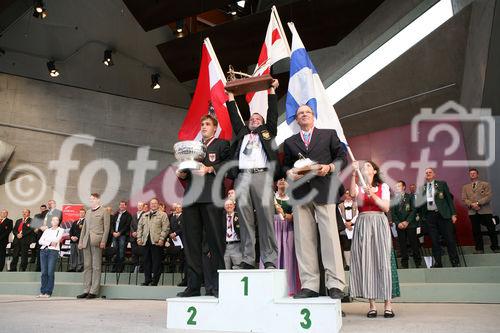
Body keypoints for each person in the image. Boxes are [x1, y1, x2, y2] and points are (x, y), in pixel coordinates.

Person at [283, 104, 347, 299]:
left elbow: (342, 157)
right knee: (304, 239)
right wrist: (288, 172)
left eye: (307, 112)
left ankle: (335, 284)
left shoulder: (328, 134)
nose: (304, 115)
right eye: (300, 113)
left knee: (330, 238)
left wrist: (329, 167)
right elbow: (285, 164)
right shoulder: (290, 142)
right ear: (296, 119)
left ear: (313, 116)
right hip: (300, 193)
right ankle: (310, 284)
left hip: (324, 189)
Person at [226, 79, 280, 269]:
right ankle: (248, 259)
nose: (254, 120)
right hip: (242, 177)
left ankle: (270, 259)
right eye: (252, 119)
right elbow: (234, 116)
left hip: (262, 176)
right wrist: (230, 95)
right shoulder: (242, 133)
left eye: (258, 119)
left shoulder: (267, 132)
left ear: (263, 123)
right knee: (245, 218)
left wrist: (272, 90)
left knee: (266, 218)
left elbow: (272, 114)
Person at [176, 114, 230, 297]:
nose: (204, 126)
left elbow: (230, 166)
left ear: (215, 128)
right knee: (191, 244)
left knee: (215, 242)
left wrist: (210, 168)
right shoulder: (192, 148)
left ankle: (217, 285)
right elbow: (185, 172)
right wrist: (182, 174)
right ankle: (193, 285)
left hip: (211, 197)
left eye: (207, 124)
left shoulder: (222, 145)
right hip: (191, 198)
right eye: (202, 124)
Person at [349, 160, 397, 318]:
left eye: (368, 165)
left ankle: (388, 305)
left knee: (383, 262)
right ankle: (372, 306)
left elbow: (385, 208)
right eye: (363, 166)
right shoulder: (359, 186)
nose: (365, 167)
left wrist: (373, 196)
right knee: (366, 262)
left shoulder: (382, 187)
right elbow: (352, 194)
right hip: (363, 223)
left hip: (379, 222)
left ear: (375, 171)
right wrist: (354, 173)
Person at [410, 168, 460, 267]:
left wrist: (453, 214)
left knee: (449, 239)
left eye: (430, 172)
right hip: (430, 216)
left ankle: (454, 261)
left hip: (443, 215)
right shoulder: (422, 188)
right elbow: (419, 204)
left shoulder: (441, 184)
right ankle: (438, 262)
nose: (428, 174)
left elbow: (449, 200)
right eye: (426, 173)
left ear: (434, 174)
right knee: (434, 240)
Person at [77, 193, 110, 299]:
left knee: (96, 266)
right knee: (87, 266)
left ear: (98, 200)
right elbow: (84, 228)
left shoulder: (104, 211)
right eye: (90, 199)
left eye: (93, 199)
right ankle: (86, 290)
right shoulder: (88, 212)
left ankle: (94, 291)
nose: (91, 201)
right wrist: (81, 241)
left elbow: (106, 228)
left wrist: (103, 241)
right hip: (86, 241)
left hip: (97, 241)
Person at [461, 168, 498, 253]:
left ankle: (495, 247)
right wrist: (472, 205)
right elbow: (464, 199)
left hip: (485, 211)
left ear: (477, 175)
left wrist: (478, 203)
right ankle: (479, 249)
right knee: (476, 231)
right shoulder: (465, 187)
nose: (472, 174)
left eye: (474, 173)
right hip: (473, 212)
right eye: (471, 173)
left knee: (491, 229)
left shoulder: (485, 184)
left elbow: (488, 196)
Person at [273, 178, 299, 295]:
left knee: (288, 256)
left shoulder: (292, 198)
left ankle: (289, 287)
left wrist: (288, 215)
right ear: (276, 184)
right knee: (275, 255)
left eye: (284, 180)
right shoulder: (272, 197)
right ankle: (272, 286)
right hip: (275, 228)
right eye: (280, 180)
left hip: (288, 228)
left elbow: (295, 214)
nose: (282, 181)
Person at [137, 198, 169, 286]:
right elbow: (139, 228)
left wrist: (162, 239)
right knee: (146, 261)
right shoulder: (145, 215)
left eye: (155, 203)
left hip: (156, 242)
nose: (153, 205)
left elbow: (165, 228)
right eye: (152, 203)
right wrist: (139, 239)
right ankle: (147, 280)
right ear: (149, 205)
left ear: (158, 205)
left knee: (156, 262)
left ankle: (155, 281)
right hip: (146, 241)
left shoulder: (163, 215)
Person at [391, 180, 421, 268]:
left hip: (410, 224)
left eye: (399, 186)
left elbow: (414, 210)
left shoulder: (410, 197)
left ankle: (418, 262)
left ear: (404, 187)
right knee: (402, 244)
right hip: (399, 226)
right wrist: (398, 223)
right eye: (396, 186)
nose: (397, 188)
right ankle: (404, 263)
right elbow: (393, 213)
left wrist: (407, 221)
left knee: (414, 243)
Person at [37, 216, 64, 298]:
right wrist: (49, 242)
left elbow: (56, 240)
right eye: (53, 220)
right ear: (51, 222)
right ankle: (42, 291)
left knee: (50, 272)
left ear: (58, 222)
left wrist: (47, 241)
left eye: (57, 220)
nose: (55, 221)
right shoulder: (47, 230)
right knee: (44, 272)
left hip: (53, 252)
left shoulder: (60, 230)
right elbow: (40, 241)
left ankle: (48, 292)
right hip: (43, 251)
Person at [338, 190, 358, 270]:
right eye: (346, 193)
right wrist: (346, 223)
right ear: (345, 195)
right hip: (344, 227)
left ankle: (356, 264)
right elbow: (339, 215)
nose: (348, 195)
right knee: (346, 246)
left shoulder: (356, 204)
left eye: (350, 194)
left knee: (355, 246)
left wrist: (351, 222)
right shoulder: (340, 205)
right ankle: (348, 265)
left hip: (354, 227)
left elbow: (357, 214)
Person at [110, 201, 132, 272]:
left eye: (123, 205)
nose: (122, 206)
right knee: (115, 251)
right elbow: (112, 224)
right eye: (120, 205)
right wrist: (113, 232)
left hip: (122, 236)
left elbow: (127, 226)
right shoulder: (116, 214)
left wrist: (120, 233)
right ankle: (114, 268)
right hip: (114, 235)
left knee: (121, 252)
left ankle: (120, 268)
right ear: (119, 206)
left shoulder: (128, 215)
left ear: (126, 206)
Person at [223, 199, 242, 269]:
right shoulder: (221, 217)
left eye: (230, 204)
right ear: (224, 207)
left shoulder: (239, 216)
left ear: (234, 206)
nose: (229, 206)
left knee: (238, 268)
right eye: (227, 205)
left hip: (237, 245)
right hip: (225, 246)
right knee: (225, 269)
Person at [130, 201, 145, 272]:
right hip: (133, 238)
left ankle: (141, 268)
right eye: (138, 205)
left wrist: (138, 233)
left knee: (142, 253)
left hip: (141, 237)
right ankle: (135, 267)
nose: (139, 207)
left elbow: (145, 226)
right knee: (134, 254)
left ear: (143, 206)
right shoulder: (134, 215)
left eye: (141, 205)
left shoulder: (145, 215)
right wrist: (133, 232)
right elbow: (131, 225)